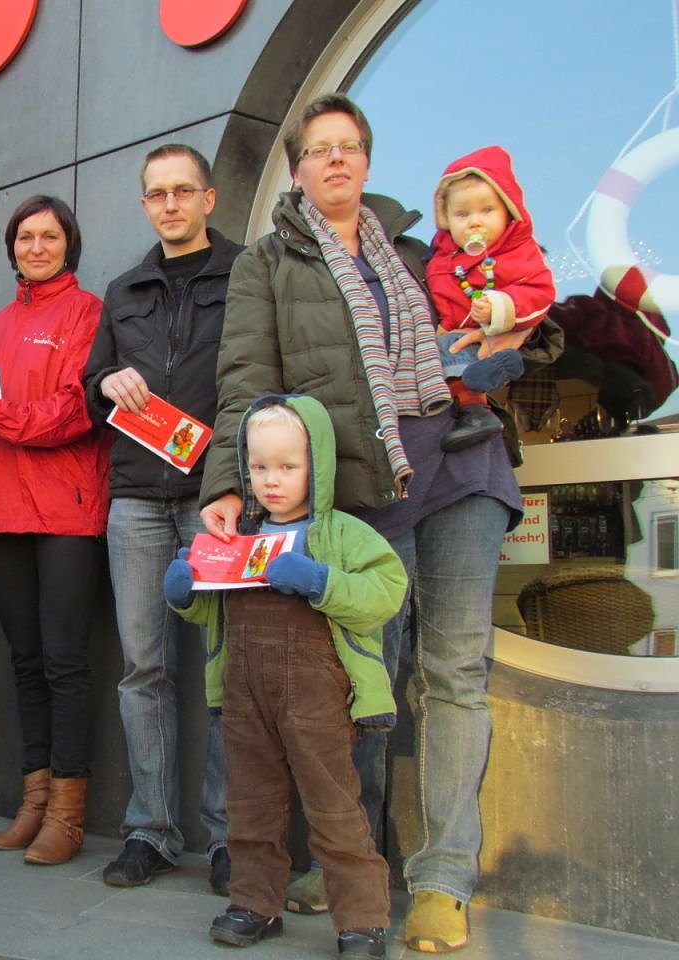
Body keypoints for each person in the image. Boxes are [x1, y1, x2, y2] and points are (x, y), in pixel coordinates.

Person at [200, 93, 529, 953]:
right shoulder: (267, 263)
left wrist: (515, 341)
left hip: (464, 466)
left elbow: (513, 305)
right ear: (298, 168)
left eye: (349, 145)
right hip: (363, 492)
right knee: (357, 683)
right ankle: (354, 865)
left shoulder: (417, 251)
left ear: (368, 160)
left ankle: (443, 881)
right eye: (320, 148)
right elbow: (246, 379)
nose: (336, 159)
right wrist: (228, 482)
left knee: (454, 673)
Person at [165, 396, 404, 957]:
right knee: (250, 804)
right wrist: (185, 595)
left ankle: (362, 920)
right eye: (259, 467)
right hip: (245, 694)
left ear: (318, 465)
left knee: (334, 805)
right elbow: (215, 611)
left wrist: (321, 581)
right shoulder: (239, 536)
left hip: (319, 695)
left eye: (288, 466)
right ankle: (255, 904)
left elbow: (386, 593)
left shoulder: (344, 534)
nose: (271, 480)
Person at [82, 143, 243, 894]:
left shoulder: (246, 274)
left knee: (226, 670)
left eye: (183, 191)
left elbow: (260, 379)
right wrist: (105, 381)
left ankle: (230, 836)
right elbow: (93, 383)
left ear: (208, 198)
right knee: (143, 669)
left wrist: (236, 480)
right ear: (146, 204)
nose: (170, 204)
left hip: (219, 500)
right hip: (138, 499)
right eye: (157, 194)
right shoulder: (123, 289)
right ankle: (151, 830)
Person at [0, 196, 110, 865]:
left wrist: (1, 415)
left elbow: (76, 410)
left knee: (65, 663)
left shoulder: (89, 313)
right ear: (11, 246)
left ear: (69, 244)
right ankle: (34, 802)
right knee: (27, 663)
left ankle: (67, 814)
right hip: (3, 511)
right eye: (25, 237)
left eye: (49, 236)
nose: (36, 247)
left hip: (66, 510)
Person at [425, 146, 556, 452]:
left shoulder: (517, 252)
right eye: (462, 214)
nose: (474, 222)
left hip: (490, 333)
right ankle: (491, 375)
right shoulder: (440, 258)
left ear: (508, 211)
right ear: (446, 218)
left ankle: (477, 411)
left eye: (487, 210)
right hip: (453, 336)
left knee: (453, 356)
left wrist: (501, 307)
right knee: (443, 356)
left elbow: (540, 292)